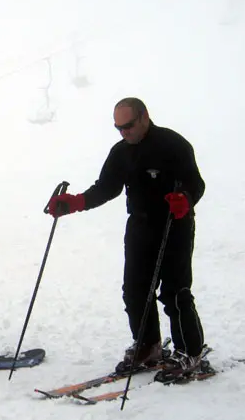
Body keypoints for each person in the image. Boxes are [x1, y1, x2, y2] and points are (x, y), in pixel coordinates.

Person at [47, 97, 207, 381]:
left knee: (174, 291)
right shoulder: (121, 152)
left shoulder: (173, 145)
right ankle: (148, 347)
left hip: (174, 224)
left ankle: (190, 351)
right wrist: (75, 203)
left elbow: (196, 183)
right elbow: (106, 188)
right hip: (140, 226)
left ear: (144, 116)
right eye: (118, 128)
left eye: (128, 126)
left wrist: (185, 198)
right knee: (135, 290)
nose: (124, 133)